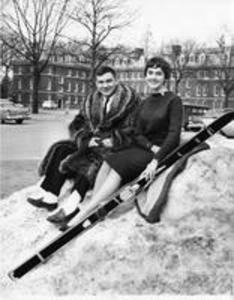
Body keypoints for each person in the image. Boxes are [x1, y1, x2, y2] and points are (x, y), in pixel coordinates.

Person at [63, 56, 183, 229]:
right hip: (145, 148)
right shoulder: (145, 102)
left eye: (158, 73)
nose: (153, 77)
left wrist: (156, 159)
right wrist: (150, 146)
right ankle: (94, 208)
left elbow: (174, 135)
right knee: (109, 160)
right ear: (145, 75)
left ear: (165, 77)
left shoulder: (173, 101)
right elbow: (137, 133)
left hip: (163, 152)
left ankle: (84, 212)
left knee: (120, 165)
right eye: (150, 73)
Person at [27, 65, 140, 224]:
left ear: (116, 80)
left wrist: (114, 139)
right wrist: (86, 140)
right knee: (61, 148)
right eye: (101, 82)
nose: (105, 85)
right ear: (96, 83)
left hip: (115, 145)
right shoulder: (91, 99)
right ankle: (51, 194)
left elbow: (135, 127)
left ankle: (74, 203)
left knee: (95, 160)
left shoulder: (130, 100)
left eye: (109, 81)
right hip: (93, 140)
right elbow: (78, 123)